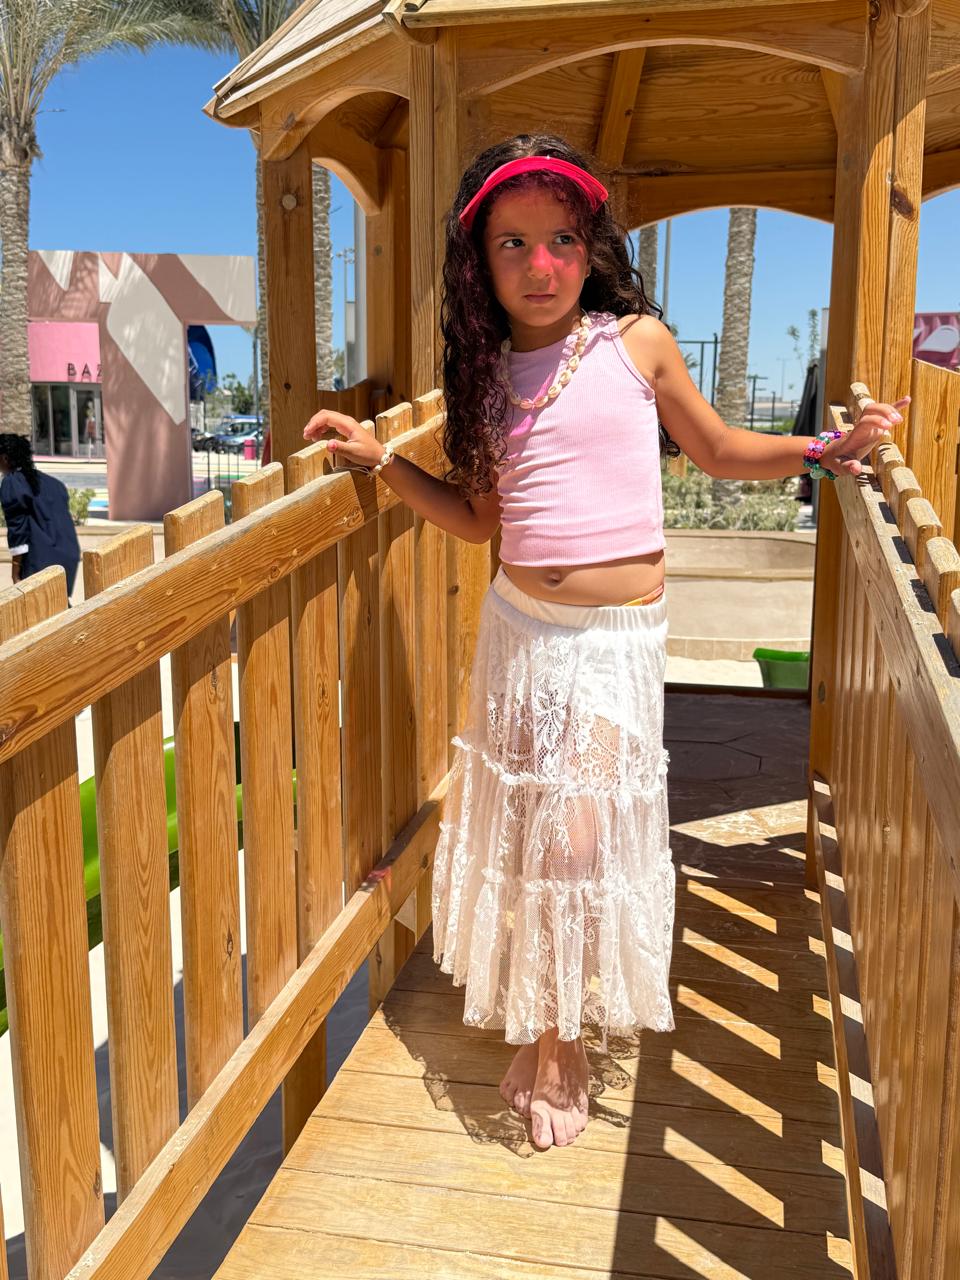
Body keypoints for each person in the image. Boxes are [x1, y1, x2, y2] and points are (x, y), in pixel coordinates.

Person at [302, 134, 905, 1152]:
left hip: (616, 640)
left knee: (576, 842)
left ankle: (564, 1042)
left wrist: (819, 450)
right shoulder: (485, 372)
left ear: (591, 249)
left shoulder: (637, 343)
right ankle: (545, 1020)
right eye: (513, 243)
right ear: (478, 261)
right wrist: (383, 461)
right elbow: (480, 520)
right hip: (521, 634)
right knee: (539, 836)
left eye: (562, 240)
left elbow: (718, 448)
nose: (540, 265)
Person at [0, 433, 81, 597]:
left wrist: (15, 572)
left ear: (5, 458)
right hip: (68, 557)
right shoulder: (53, 483)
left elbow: (18, 529)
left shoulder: (12, 482)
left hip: (40, 560)